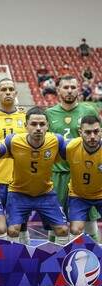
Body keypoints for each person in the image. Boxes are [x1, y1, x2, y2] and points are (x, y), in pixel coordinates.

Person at [46, 75, 100, 241]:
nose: (69, 91)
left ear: (78, 90)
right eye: (65, 87)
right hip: (58, 173)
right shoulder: (49, 113)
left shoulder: (89, 111)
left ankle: (95, 256)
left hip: (84, 173)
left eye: (73, 87)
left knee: (90, 218)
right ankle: (53, 255)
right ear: (58, 90)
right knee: (56, 219)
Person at [5, 107, 69, 245]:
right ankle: (16, 262)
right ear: (26, 125)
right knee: (13, 230)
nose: (38, 128)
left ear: (48, 126)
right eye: (34, 124)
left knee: (63, 230)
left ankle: (58, 262)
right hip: (18, 193)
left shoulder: (56, 141)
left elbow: (74, 151)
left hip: (45, 193)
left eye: (42, 124)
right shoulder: (13, 141)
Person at [0, 78, 30, 244]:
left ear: (16, 93)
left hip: (21, 181)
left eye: (11, 89)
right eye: (4, 90)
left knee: (22, 225)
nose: (8, 92)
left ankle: (25, 260)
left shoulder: (26, 118)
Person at [61, 115, 102, 241]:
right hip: (78, 195)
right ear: (80, 132)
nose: (93, 136)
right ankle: (75, 258)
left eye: (96, 131)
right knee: (75, 229)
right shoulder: (69, 147)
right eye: (88, 132)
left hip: (101, 194)